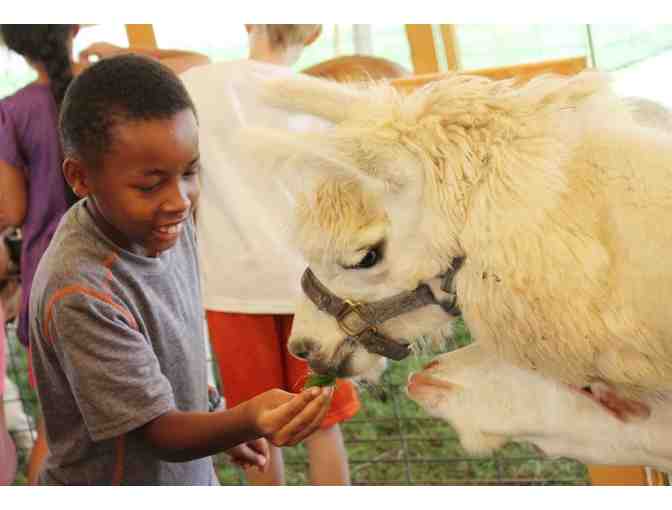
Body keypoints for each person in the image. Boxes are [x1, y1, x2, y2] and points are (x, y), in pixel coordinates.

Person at [28, 54, 333, 485]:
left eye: (190, 171)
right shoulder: (80, 290)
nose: (180, 199)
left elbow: (170, 357)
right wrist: (245, 419)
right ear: (80, 178)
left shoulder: (166, 224)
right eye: (150, 184)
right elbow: (156, 433)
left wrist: (214, 417)